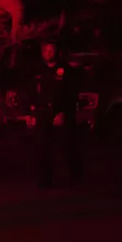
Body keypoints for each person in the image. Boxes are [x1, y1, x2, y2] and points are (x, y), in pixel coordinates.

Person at [27, 39, 81, 188]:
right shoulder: (38, 70)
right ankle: (44, 180)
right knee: (42, 147)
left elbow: (72, 93)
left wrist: (63, 112)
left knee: (67, 147)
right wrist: (32, 112)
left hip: (60, 112)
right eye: (46, 51)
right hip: (43, 112)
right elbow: (32, 91)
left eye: (51, 50)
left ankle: (76, 175)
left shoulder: (65, 70)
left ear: (56, 52)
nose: (48, 53)